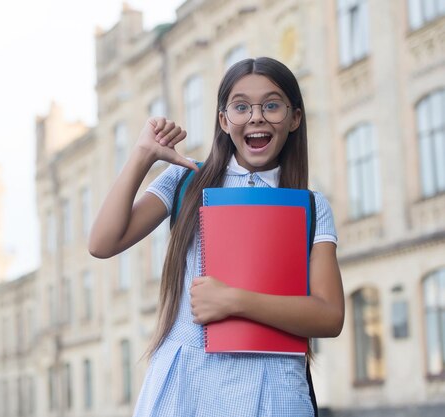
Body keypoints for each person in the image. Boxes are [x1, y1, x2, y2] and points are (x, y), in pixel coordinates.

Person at [89, 57, 345, 417]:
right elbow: (102, 242)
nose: (256, 116)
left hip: (272, 389)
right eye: (241, 107)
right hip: (186, 386)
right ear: (224, 120)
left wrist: (234, 300)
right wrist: (143, 155)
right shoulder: (185, 181)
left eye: (271, 105)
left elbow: (330, 315)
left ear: (295, 118)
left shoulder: (311, 206)